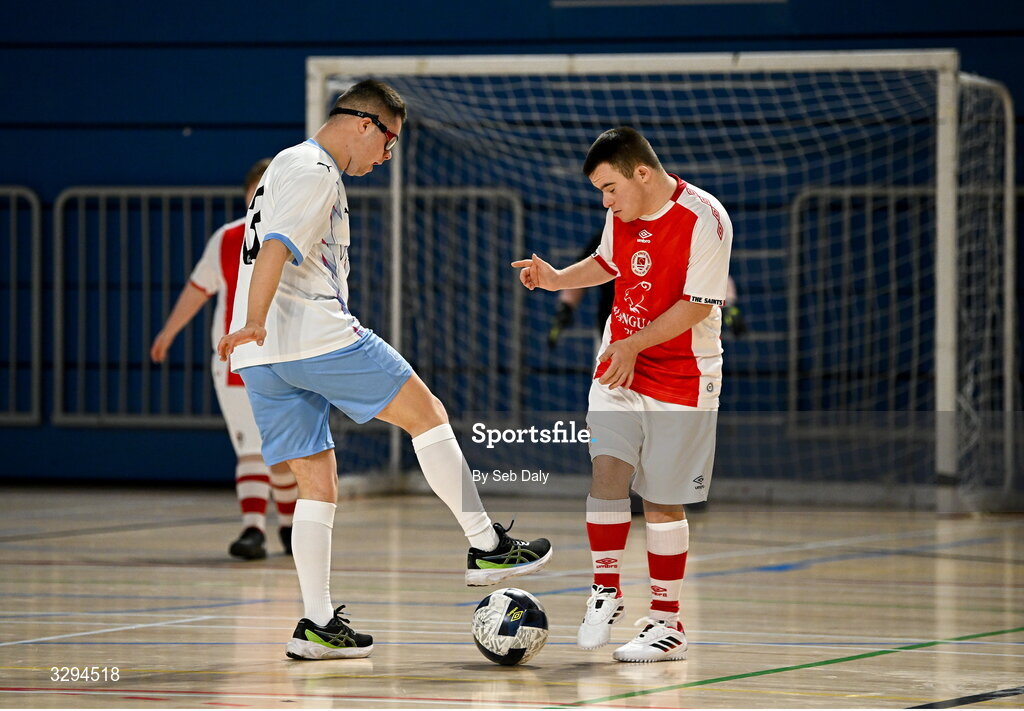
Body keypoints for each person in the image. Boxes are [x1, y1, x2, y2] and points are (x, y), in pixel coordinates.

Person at [217, 80, 552, 661]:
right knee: (427, 413)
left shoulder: (284, 166)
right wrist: (253, 319)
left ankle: (318, 623)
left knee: (316, 484)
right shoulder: (317, 169)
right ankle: (486, 544)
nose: (387, 155)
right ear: (363, 124)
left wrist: (254, 333)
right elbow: (273, 247)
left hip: (266, 358)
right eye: (389, 141)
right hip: (307, 334)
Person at [513, 126, 732, 663]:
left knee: (661, 499)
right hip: (621, 364)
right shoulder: (620, 215)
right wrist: (555, 277)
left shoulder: (706, 218)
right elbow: (608, 263)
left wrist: (633, 344)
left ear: (642, 172)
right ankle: (605, 591)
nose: (605, 202)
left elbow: (697, 306)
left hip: (683, 372)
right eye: (600, 193)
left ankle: (668, 622)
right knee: (607, 470)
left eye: (610, 188)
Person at [151, 159, 298, 561]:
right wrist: (169, 331)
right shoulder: (228, 238)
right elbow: (199, 289)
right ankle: (253, 529)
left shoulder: (299, 234)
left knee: (282, 454)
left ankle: (287, 526)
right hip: (235, 357)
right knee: (251, 446)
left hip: (286, 356)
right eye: (256, 191)